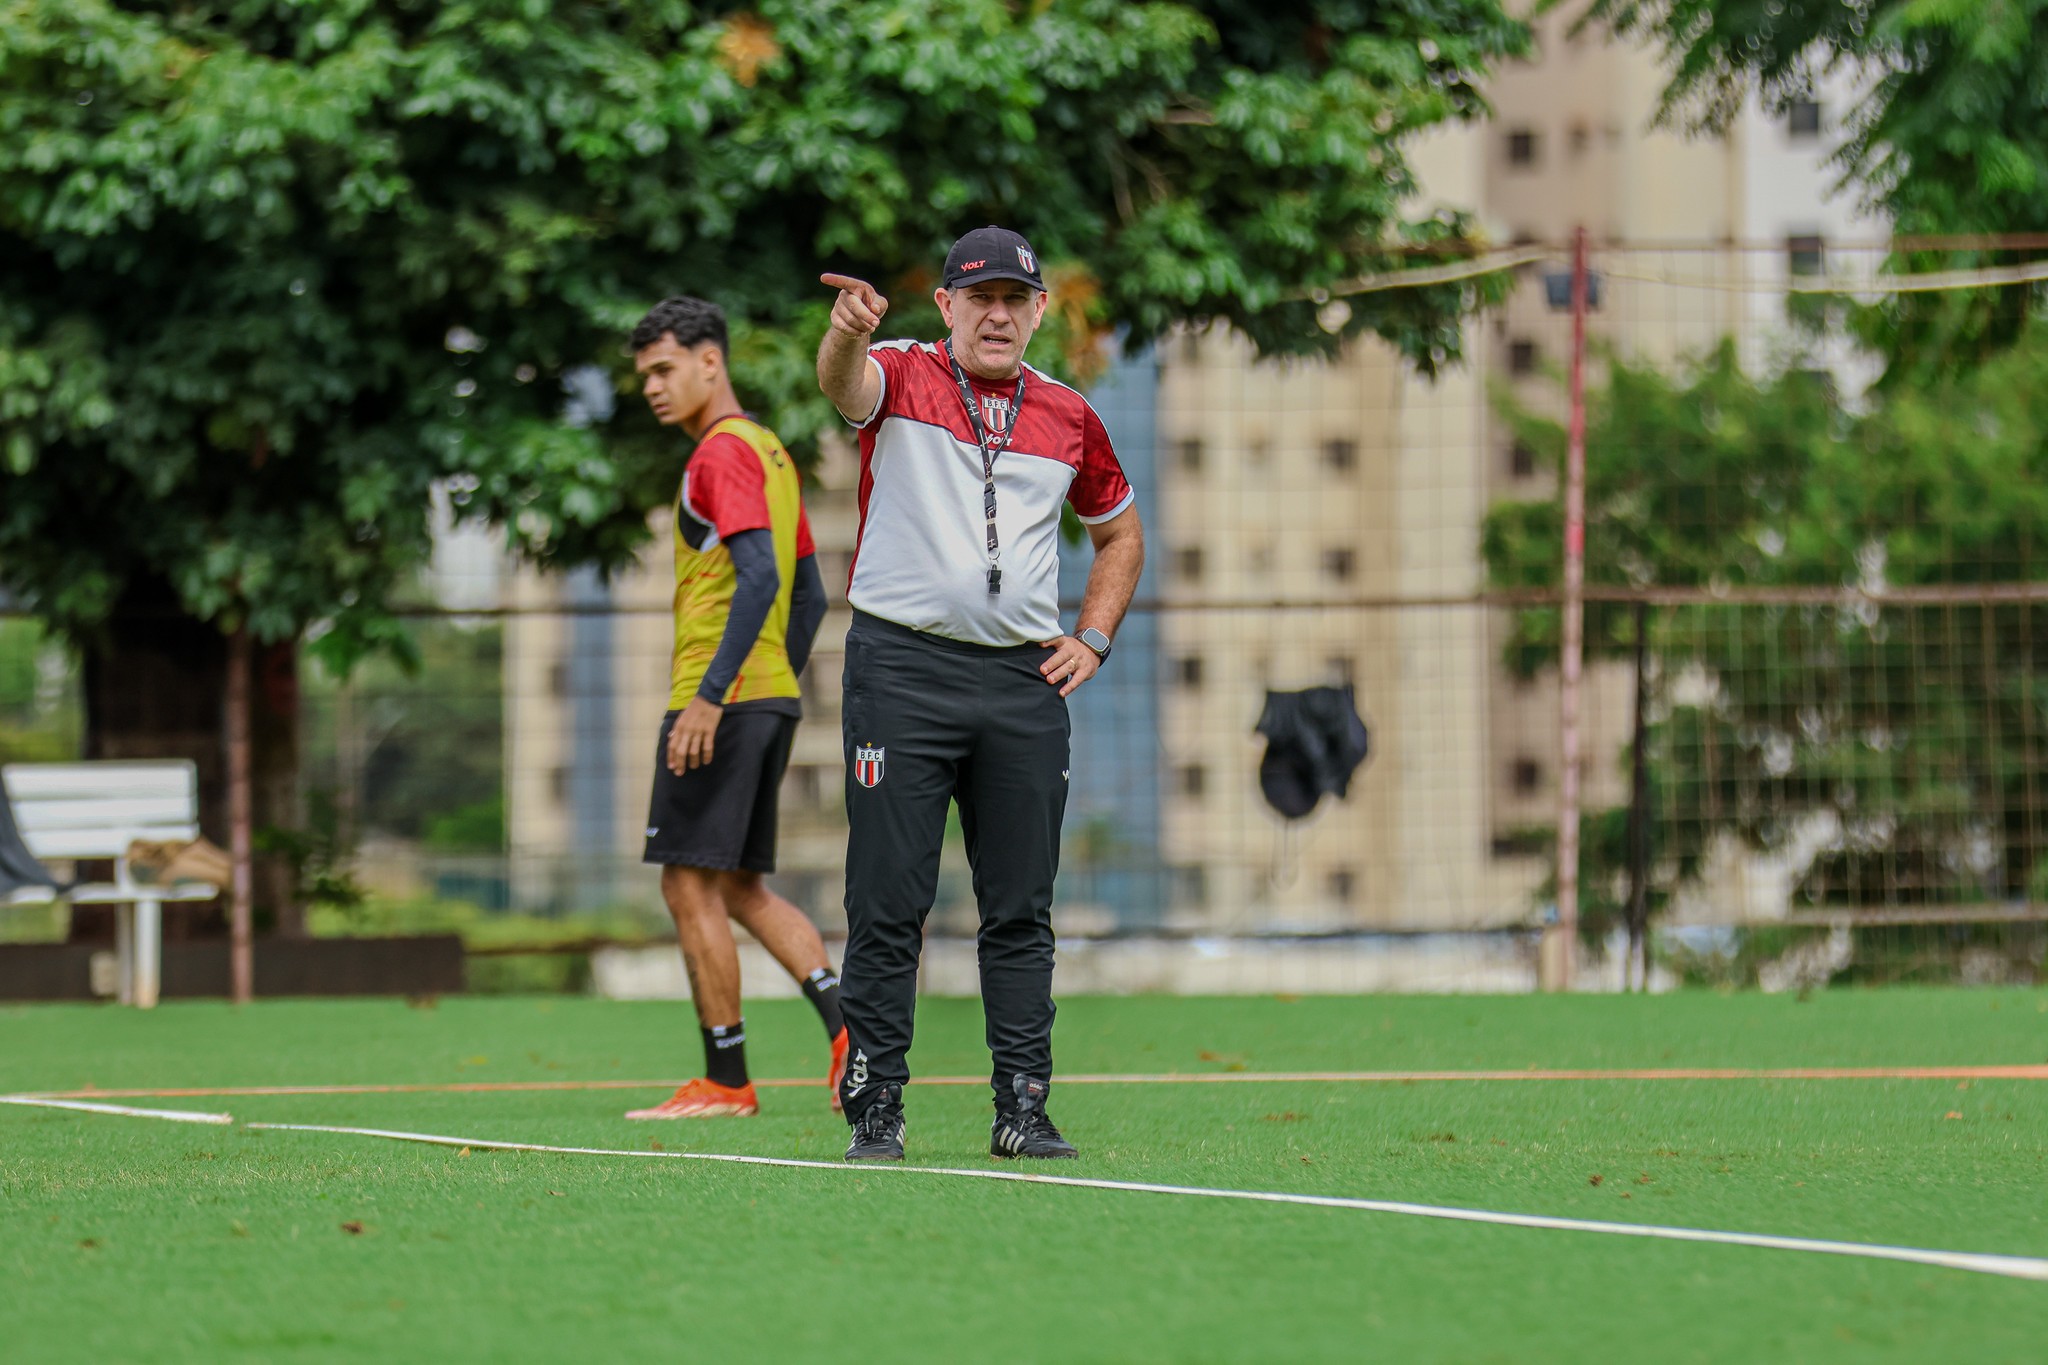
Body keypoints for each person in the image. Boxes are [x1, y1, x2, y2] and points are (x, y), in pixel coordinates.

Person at [815, 226, 1145, 1161]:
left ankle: (1023, 1105)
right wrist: (845, 329)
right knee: (888, 899)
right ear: (946, 307)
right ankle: (877, 1108)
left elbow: (1121, 536)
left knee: (1020, 906)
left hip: (1019, 681)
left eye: (1015, 298)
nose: (997, 314)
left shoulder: (1070, 413)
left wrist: (1093, 638)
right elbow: (843, 385)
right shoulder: (903, 373)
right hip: (902, 669)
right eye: (979, 297)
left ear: (1041, 311)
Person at [622, 295, 848, 1120]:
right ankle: (847, 1025)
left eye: (665, 368)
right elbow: (812, 597)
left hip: (717, 702)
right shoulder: (771, 453)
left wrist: (716, 698)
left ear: (710, 362)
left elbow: (761, 579)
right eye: (644, 375)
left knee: (689, 885)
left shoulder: (718, 454)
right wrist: (769, 685)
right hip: (768, 699)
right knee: (742, 886)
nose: (653, 386)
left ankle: (726, 1081)